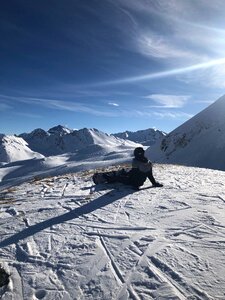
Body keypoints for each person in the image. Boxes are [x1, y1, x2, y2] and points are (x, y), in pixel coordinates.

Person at [92, 147, 163, 189]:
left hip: (133, 182)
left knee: (118, 177)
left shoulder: (136, 162)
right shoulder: (148, 163)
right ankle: (106, 177)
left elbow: (133, 174)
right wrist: (154, 183)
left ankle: (103, 177)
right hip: (139, 183)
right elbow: (150, 175)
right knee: (122, 173)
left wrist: (125, 174)